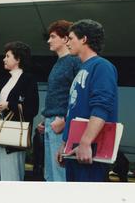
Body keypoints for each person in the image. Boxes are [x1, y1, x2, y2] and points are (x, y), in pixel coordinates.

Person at [56, 19, 118, 182]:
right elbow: (73, 111)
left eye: (70, 38)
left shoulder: (102, 66)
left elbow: (101, 107)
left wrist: (85, 142)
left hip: (90, 152)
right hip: (74, 150)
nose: (67, 42)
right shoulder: (82, 68)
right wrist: (65, 143)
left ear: (84, 39)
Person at [0, 41, 39, 181]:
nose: (4, 59)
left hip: (14, 130)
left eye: (8, 56)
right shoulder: (3, 80)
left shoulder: (29, 79)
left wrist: (8, 105)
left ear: (18, 59)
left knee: (11, 173)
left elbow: (32, 108)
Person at [36, 20, 80, 181]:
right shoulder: (58, 63)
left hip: (60, 126)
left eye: (53, 36)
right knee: (50, 176)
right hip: (51, 123)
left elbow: (77, 96)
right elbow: (57, 94)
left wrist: (66, 121)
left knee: (59, 177)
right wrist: (44, 118)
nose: (49, 40)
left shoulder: (75, 61)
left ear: (65, 39)